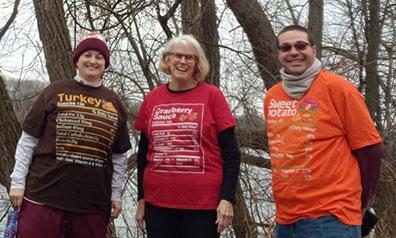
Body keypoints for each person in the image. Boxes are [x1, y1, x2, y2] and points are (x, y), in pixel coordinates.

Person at [263, 25, 384, 238]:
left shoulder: (339, 89)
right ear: (278, 54)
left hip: (332, 217)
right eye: (286, 47)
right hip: (286, 219)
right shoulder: (272, 96)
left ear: (314, 50)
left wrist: (361, 204)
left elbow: (371, 149)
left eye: (301, 45)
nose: (293, 52)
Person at [9, 32, 132, 238]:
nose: (93, 61)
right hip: (43, 197)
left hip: (91, 204)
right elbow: (28, 140)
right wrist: (18, 182)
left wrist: (116, 195)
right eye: (87, 55)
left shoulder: (114, 101)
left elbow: (119, 156)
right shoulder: (54, 91)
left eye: (99, 57)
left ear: (105, 63)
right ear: (77, 59)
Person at [134, 34, 240, 238]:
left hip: (202, 205)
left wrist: (227, 199)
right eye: (178, 56)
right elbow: (142, 155)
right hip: (158, 203)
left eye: (189, 58)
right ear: (167, 59)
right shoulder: (152, 98)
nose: (182, 62)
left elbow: (231, 153)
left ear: (197, 64)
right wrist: (141, 200)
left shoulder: (212, 96)